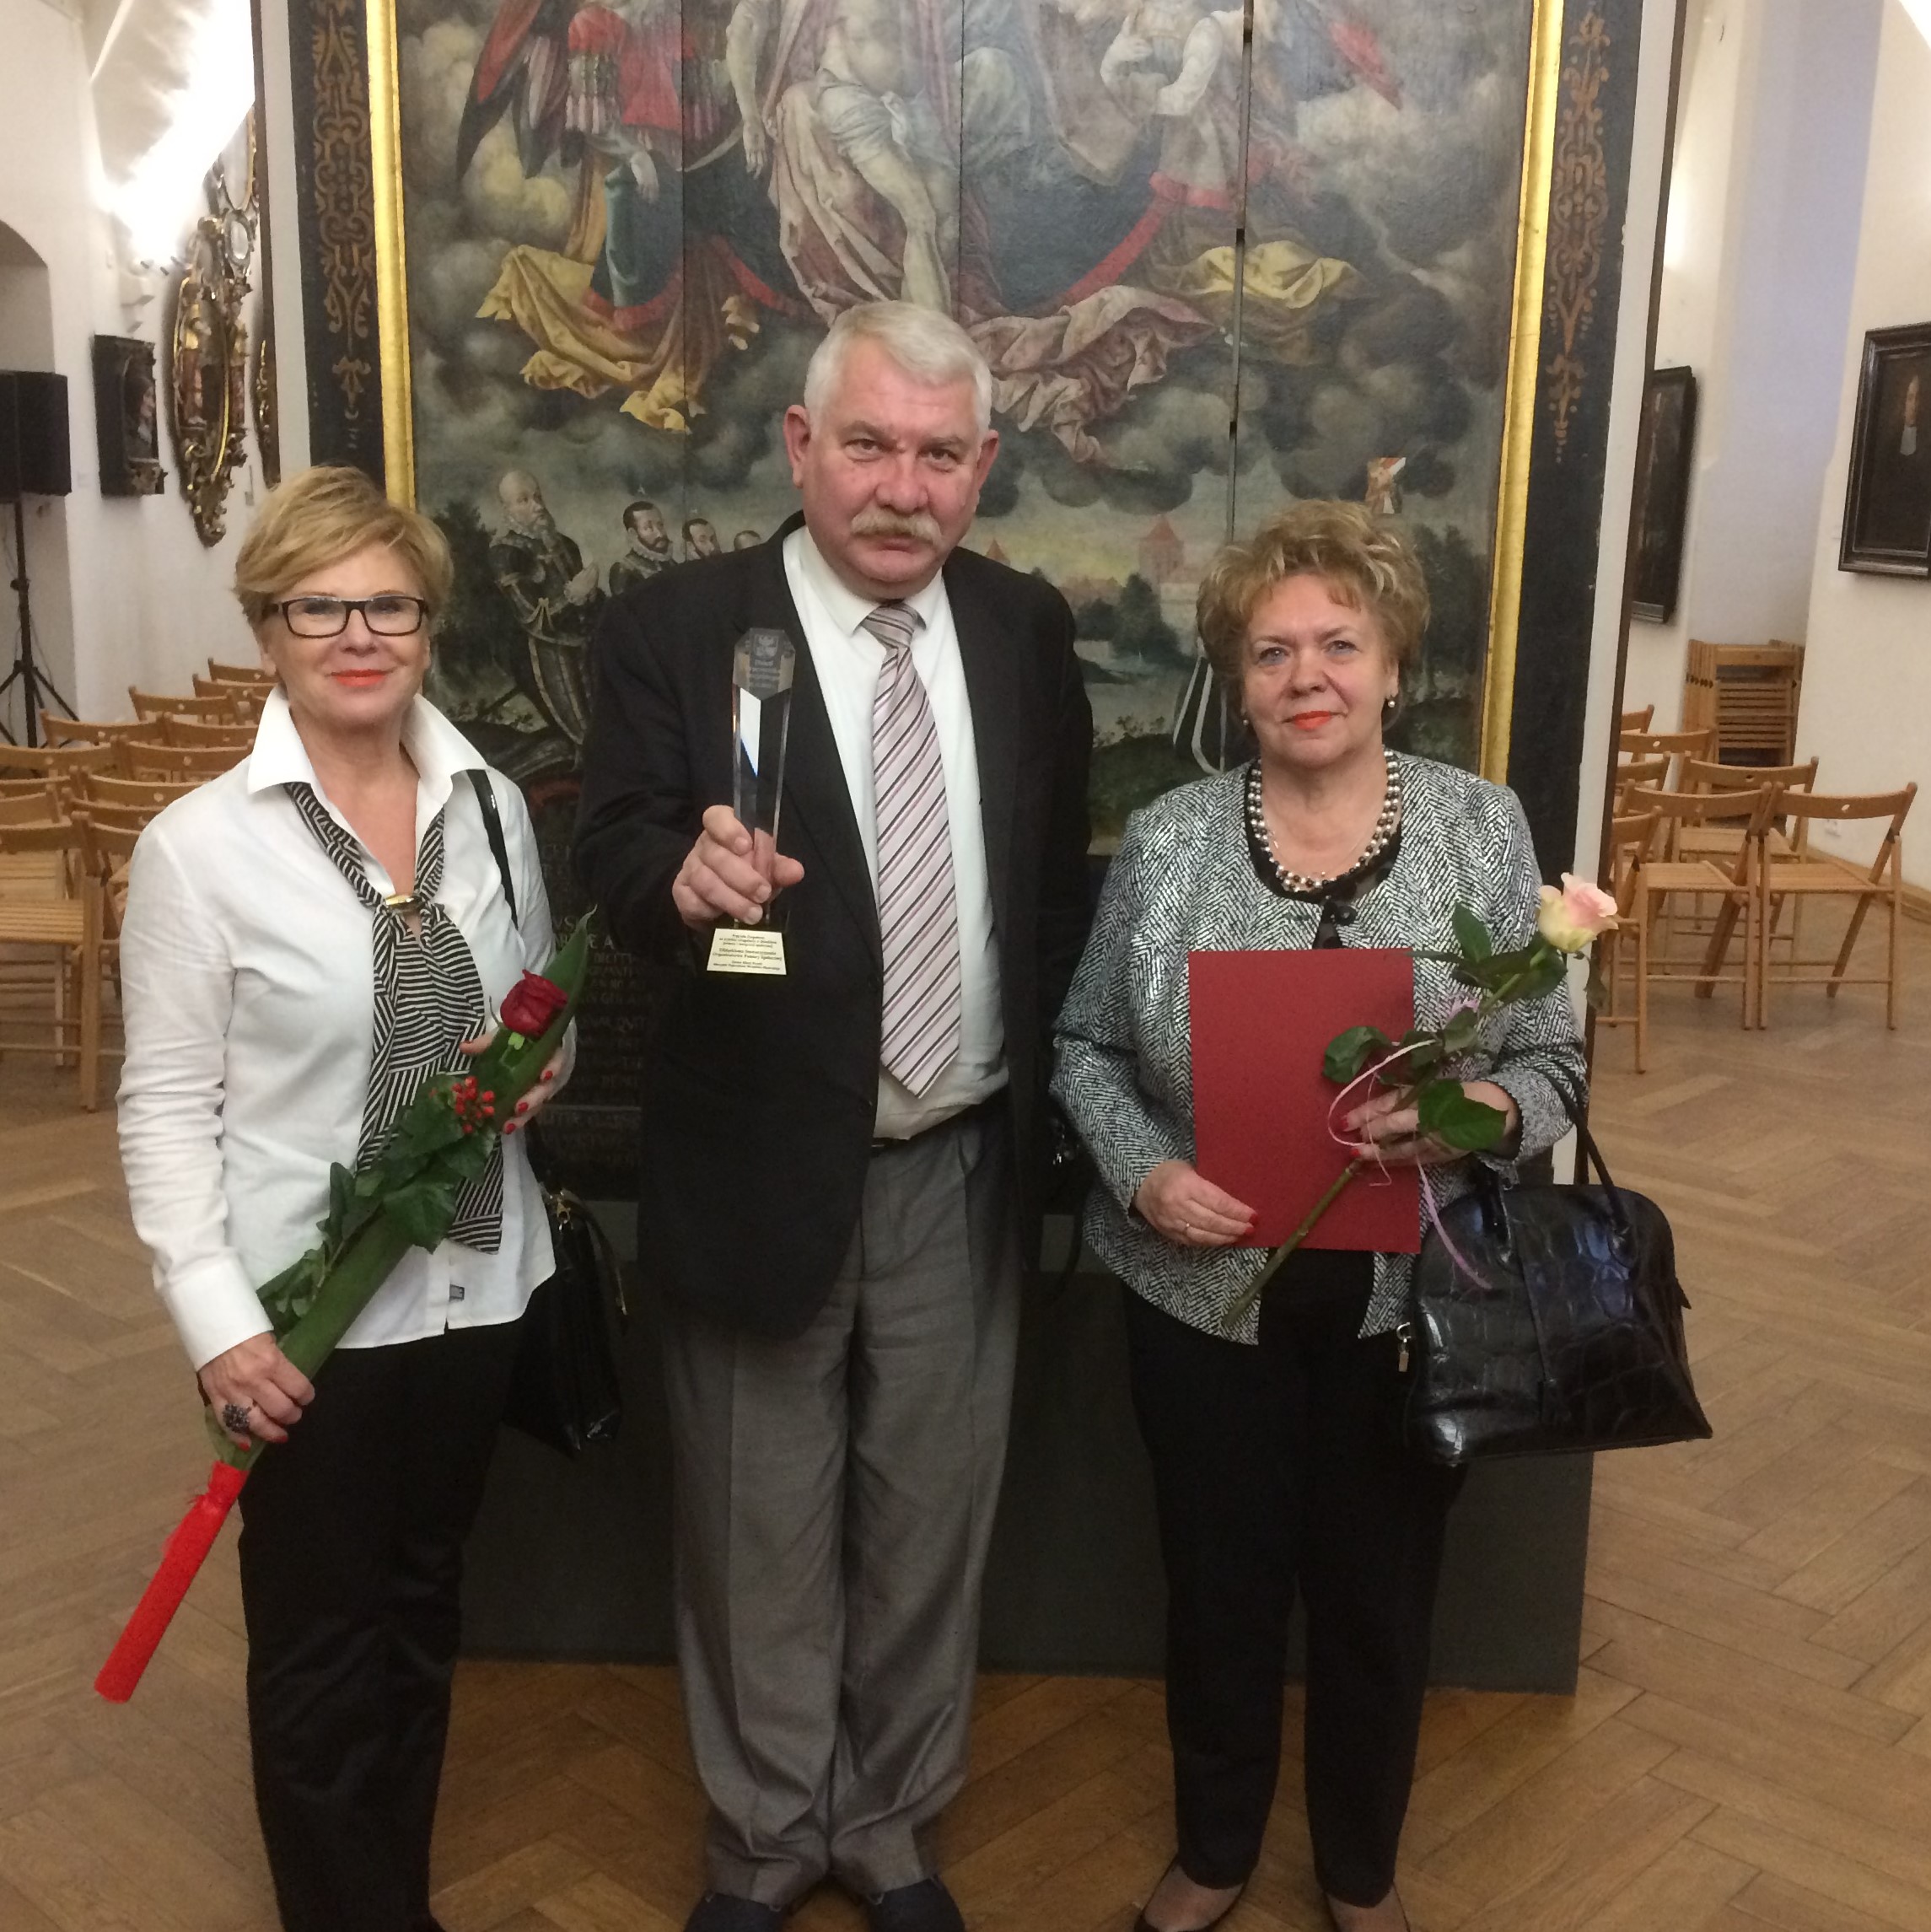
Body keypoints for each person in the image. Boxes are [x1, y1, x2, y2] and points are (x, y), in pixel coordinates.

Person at [576, 300, 1093, 1932]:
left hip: (962, 1165)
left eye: (940, 455)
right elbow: (613, 849)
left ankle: (886, 1826)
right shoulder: (678, 628)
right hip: (755, 1164)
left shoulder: (1024, 630)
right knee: (755, 1531)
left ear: (983, 466)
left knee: (930, 1525)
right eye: (868, 444)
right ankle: (762, 1841)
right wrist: (676, 878)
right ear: (801, 444)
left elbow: (1049, 890)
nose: (902, 488)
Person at [1052, 502, 1585, 1932]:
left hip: (1412, 1306)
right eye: (1273, 650)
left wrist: (1465, 1115)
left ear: (1394, 663)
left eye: (1340, 644)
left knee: (1377, 1599)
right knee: (1216, 1590)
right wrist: (1142, 1172)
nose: (1308, 677)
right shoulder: (1167, 841)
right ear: (1237, 679)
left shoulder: (1480, 828)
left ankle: (1359, 1870)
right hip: (1199, 1290)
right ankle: (1214, 1851)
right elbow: (1084, 1047)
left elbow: (1553, 1063)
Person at [117, 466, 572, 1932]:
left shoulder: (492, 806)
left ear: (430, 626)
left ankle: (396, 1901)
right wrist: (217, 1324)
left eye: (391, 605)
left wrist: (536, 1076)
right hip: (303, 1326)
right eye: (320, 607)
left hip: (478, 1287)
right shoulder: (200, 847)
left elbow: (537, 1009)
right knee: (319, 1650)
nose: (359, 634)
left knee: (423, 1612)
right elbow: (163, 1110)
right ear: (269, 629)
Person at [490, 469, 605, 745]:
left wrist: (592, 596)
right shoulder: (505, 554)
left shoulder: (565, 544)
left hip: (586, 648)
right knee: (583, 737)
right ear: (507, 510)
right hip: (543, 656)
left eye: (538, 497)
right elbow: (532, 618)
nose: (538, 506)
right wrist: (574, 595)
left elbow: (590, 608)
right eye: (524, 500)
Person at [609, 497, 677, 595]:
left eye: (660, 525)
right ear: (633, 533)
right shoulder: (624, 569)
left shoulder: (671, 563)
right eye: (648, 528)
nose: (660, 534)